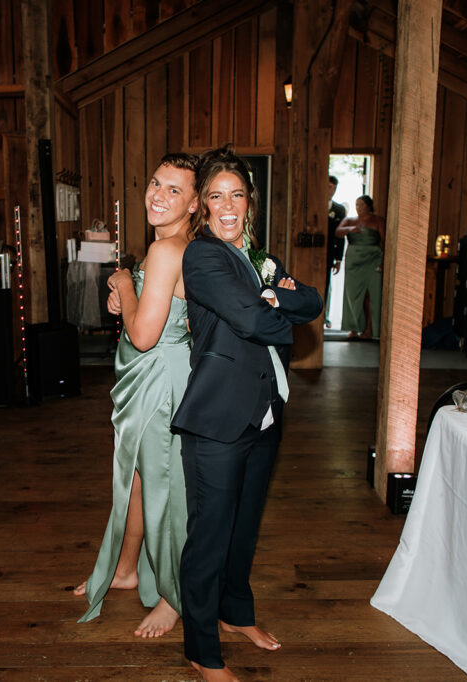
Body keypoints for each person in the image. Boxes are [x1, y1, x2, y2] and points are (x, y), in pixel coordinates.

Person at [171, 146, 323, 681]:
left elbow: (314, 300)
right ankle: (201, 650)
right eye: (216, 196)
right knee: (210, 533)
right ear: (203, 207)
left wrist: (274, 297)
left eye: (236, 194)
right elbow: (254, 323)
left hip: (264, 412)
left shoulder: (259, 257)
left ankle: (236, 615)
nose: (227, 205)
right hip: (217, 417)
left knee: (243, 530)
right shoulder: (204, 256)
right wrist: (275, 302)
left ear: (249, 202)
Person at [73, 153, 199, 638]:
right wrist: (129, 295)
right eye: (154, 183)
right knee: (143, 482)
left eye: (173, 190)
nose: (157, 195)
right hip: (151, 376)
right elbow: (157, 310)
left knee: (166, 491)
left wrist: (124, 281)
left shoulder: (167, 250)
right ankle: (125, 570)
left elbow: (145, 335)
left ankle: (173, 595)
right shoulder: (170, 246)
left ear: (192, 204)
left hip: (160, 380)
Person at [336, 195, 385, 340]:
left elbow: (385, 241)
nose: (358, 208)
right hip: (354, 260)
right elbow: (337, 232)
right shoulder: (350, 220)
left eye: (361, 205)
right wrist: (350, 229)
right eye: (356, 205)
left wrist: (384, 262)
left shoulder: (378, 220)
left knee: (371, 295)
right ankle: (353, 328)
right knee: (352, 294)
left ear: (369, 206)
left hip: (373, 259)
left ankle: (369, 329)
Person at [324, 176, 348, 328]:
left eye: (332, 187)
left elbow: (341, 236)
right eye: (327, 186)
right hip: (313, 251)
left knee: (327, 284)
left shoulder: (339, 209)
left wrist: (338, 259)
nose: (330, 190)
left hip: (330, 252)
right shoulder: (313, 205)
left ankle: (325, 316)